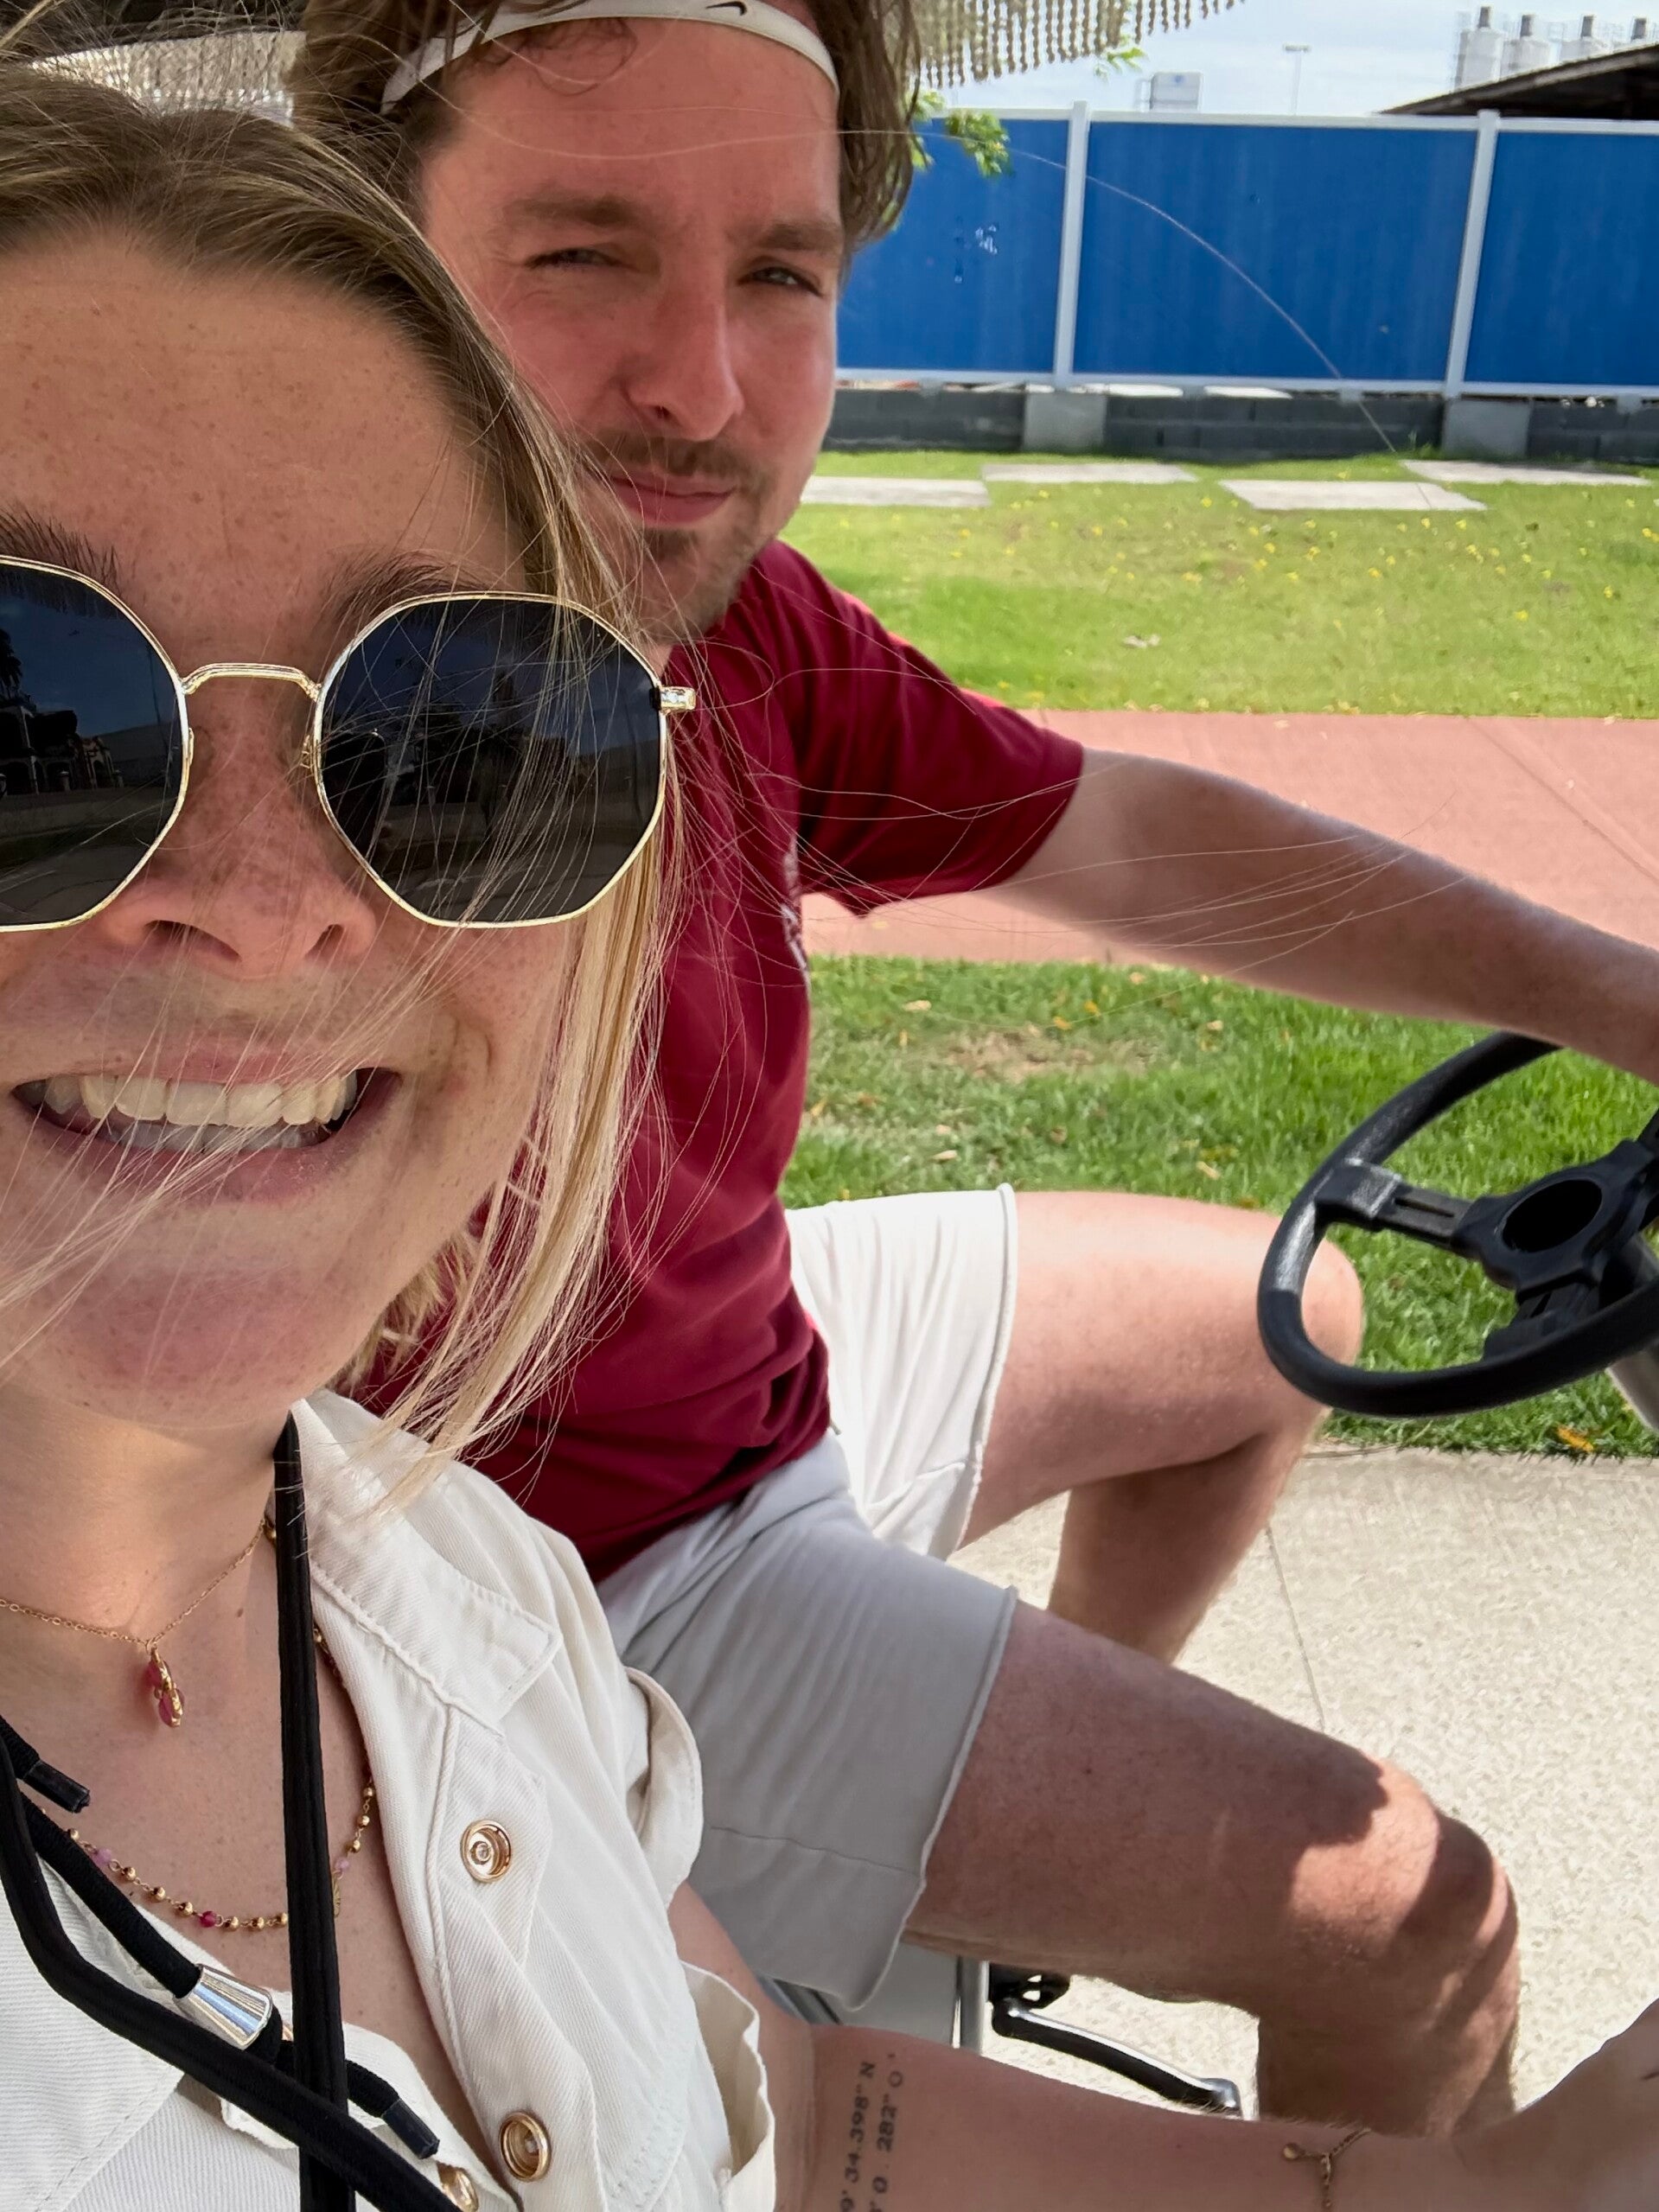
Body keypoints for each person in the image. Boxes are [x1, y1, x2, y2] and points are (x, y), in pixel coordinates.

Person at [17, 46, 1659, 2212]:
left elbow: (1124, 834)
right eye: (582, 251)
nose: (700, 383)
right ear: (375, 245)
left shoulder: (739, 635)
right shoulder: (407, 1529)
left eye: (782, 271)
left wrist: (1628, 996)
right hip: (629, 1533)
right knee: (1408, 1916)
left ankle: (968, 1836)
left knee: (1286, 1313)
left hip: (741, 1375)